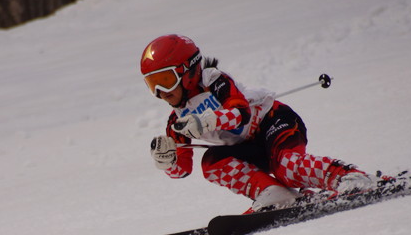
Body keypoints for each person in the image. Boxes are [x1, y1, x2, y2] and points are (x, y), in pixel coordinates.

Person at [142, 34, 378, 212]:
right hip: (248, 146)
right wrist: (167, 160)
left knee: (285, 167)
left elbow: (240, 113)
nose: (161, 92)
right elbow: (183, 170)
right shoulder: (177, 120)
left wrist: (207, 121)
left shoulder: (214, 81)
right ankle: (273, 193)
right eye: (153, 84)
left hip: (274, 123)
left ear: (189, 70)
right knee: (211, 163)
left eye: (165, 79)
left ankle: (348, 177)